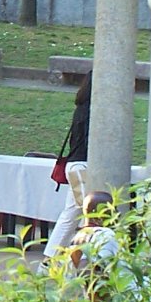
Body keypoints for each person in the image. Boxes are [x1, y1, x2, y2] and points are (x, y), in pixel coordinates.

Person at [44, 76, 94, 260]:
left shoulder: (81, 108)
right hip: (82, 165)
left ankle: (53, 259)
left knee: (73, 213)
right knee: (82, 214)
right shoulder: (91, 110)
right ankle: (60, 258)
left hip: (74, 164)